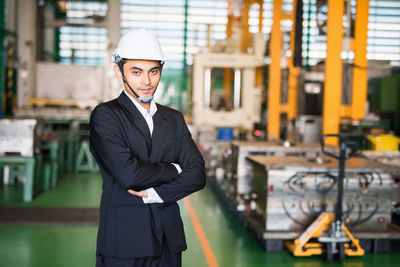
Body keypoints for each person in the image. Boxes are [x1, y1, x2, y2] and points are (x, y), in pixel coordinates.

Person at [90, 28, 206, 267]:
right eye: (136, 72)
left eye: (153, 71)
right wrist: (174, 170)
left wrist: (156, 193)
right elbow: (128, 174)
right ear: (118, 71)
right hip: (124, 242)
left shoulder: (173, 119)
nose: (146, 81)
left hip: (168, 242)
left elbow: (197, 174)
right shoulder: (106, 116)